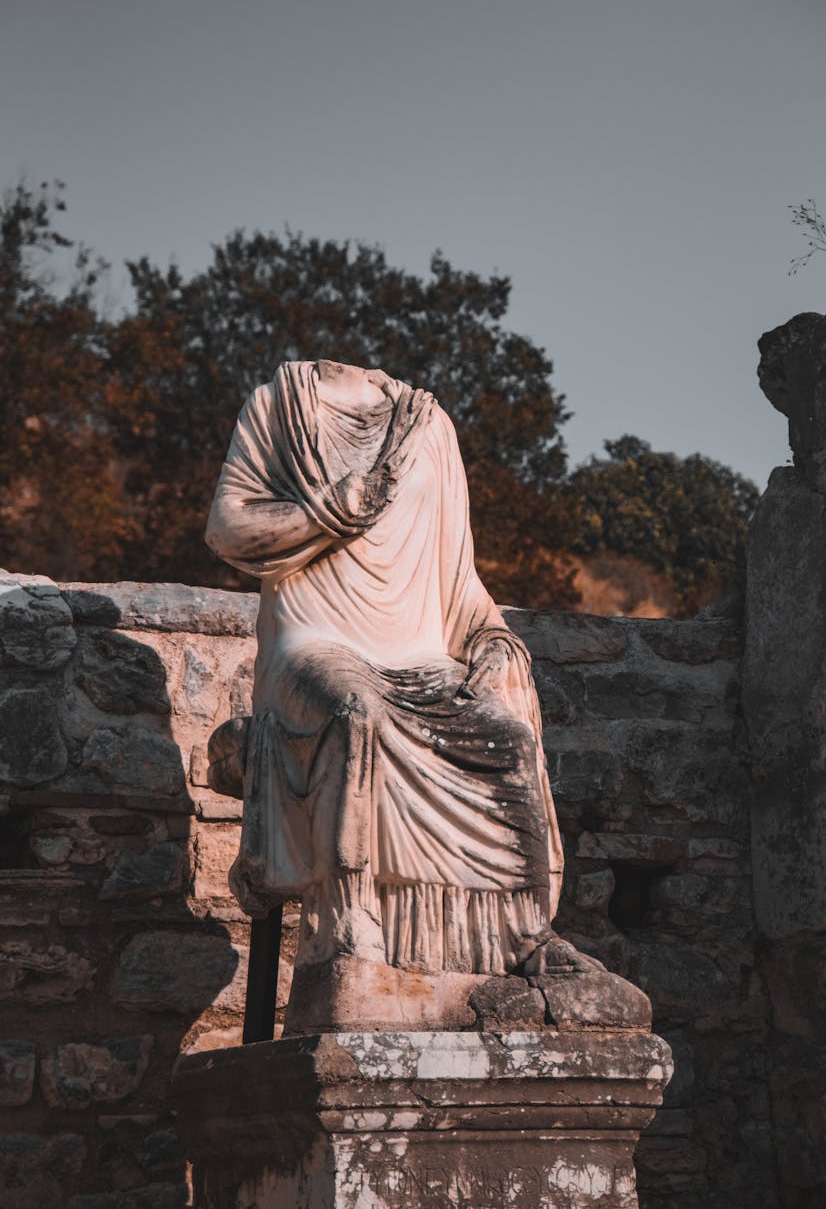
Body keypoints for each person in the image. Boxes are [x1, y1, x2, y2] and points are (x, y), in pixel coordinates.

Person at [205, 359, 578, 977]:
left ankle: (519, 937)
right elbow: (227, 529)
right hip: (316, 642)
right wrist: (329, 510)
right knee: (356, 713)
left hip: (420, 653)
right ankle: (349, 926)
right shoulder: (279, 406)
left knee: (507, 740)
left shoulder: (428, 426)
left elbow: (458, 577)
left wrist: (490, 637)